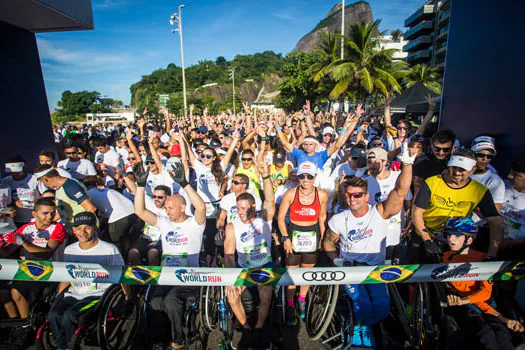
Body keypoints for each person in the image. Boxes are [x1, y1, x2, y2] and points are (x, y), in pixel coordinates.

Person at [323, 145, 416, 346]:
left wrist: (407, 164)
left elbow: (400, 191)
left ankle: (365, 326)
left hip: (375, 270)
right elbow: (328, 242)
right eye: (349, 195)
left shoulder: (379, 212)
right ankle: (358, 331)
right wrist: (337, 260)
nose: (353, 199)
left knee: (382, 308)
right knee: (362, 304)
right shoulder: (339, 219)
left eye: (357, 195)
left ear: (366, 196)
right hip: (351, 270)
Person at [133, 159, 206, 350]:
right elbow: (139, 211)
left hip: (189, 276)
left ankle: (178, 340)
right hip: (167, 275)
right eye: (166, 208)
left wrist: (184, 183)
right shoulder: (165, 222)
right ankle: (159, 340)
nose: (167, 211)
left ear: (182, 207)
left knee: (170, 301)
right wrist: (140, 186)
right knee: (155, 302)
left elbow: (201, 208)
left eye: (170, 208)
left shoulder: (194, 224)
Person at [47, 212, 133, 350]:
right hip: (74, 293)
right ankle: (61, 345)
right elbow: (66, 276)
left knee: (70, 315)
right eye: (79, 228)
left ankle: (71, 346)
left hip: (97, 295)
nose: (83, 232)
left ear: (95, 228)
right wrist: (59, 297)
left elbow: (121, 273)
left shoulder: (109, 249)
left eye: (87, 228)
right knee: (53, 314)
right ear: (73, 230)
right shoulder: (70, 250)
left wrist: (128, 297)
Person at [441, 217, 524, 350]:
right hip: (463, 307)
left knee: (501, 333)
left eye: (457, 236)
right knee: (485, 332)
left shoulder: (482, 259)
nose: (451, 239)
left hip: (478, 302)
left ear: (469, 240)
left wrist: (503, 319)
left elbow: (485, 293)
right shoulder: (443, 259)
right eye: (449, 235)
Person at [412, 149, 504, 262]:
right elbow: (417, 212)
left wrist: (492, 255)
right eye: (454, 167)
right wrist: (426, 240)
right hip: (425, 235)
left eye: (462, 169)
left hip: (453, 239)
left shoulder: (479, 190)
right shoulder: (432, 183)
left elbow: (496, 222)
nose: (456, 172)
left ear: (472, 170)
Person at [223, 160, 275, 346]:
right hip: (243, 268)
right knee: (231, 294)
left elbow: (269, 199)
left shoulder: (264, 220)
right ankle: (246, 327)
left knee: (266, 292)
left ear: (253, 207)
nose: (241, 212)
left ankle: (259, 327)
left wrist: (266, 176)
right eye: (238, 208)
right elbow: (229, 254)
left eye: (244, 208)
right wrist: (231, 278)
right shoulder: (232, 225)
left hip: (264, 265)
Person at [0, 198, 66, 326]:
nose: (50, 217)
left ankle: (26, 326)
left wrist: (23, 242)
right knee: (3, 292)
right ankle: (15, 324)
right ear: (34, 214)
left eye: (52, 213)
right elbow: (6, 252)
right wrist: (3, 243)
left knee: (16, 292)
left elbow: (47, 253)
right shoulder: (26, 228)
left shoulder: (58, 228)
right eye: (45, 213)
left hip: (50, 271)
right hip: (28, 271)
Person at [277, 161, 328, 324]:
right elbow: (280, 218)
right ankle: (290, 304)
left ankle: (302, 299)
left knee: (306, 273)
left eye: (309, 176)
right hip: (294, 235)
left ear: (315, 177)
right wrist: (285, 237)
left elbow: (322, 217)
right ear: (297, 177)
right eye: (302, 176)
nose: (305, 180)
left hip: (311, 237)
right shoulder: (291, 194)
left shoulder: (322, 195)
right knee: (292, 274)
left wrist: (322, 238)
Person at [362, 147, 413, 258]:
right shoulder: (364, 182)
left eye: (375, 161)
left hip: (397, 231)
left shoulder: (398, 177)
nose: (371, 164)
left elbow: (408, 203)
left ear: (385, 162)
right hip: (374, 235)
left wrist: (409, 225)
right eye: (369, 162)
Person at [87, 177, 142, 257]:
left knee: (115, 242)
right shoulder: (106, 190)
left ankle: (119, 261)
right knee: (127, 240)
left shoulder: (88, 194)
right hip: (133, 212)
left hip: (119, 216)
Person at [34, 164, 96, 233]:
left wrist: (81, 229)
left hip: (83, 231)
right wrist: (44, 224)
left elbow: (91, 208)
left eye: (42, 182)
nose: (44, 184)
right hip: (72, 229)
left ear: (45, 179)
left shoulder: (70, 186)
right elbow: (61, 212)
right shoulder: (59, 189)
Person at [128, 185, 171, 265]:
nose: (156, 199)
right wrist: (125, 176)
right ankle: (139, 275)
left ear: (167, 197)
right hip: (146, 238)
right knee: (132, 253)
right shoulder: (150, 203)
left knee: (152, 254)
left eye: (160, 197)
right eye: (154, 196)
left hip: (161, 240)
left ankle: (154, 276)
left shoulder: (171, 210)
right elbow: (135, 190)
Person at [412, 130, 456, 196]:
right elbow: (417, 188)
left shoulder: (456, 163)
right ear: (432, 145)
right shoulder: (421, 161)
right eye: (437, 149)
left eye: (446, 150)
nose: (441, 153)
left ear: (452, 147)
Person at [2, 156, 40, 227]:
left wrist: (38, 201)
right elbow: (4, 202)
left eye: (16, 171)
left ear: (23, 168)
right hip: (15, 221)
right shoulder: (5, 181)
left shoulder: (34, 179)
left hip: (34, 219)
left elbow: (46, 196)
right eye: (11, 172)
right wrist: (14, 203)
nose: (14, 174)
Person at [470, 136, 505, 210]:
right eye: (480, 155)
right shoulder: (459, 170)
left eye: (489, 156)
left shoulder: (496, 180)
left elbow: (495, 210)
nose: (484, 159)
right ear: (471, 153)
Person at [499, 157, 525, 259]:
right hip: (489, 237)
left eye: (516, 175)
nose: (509, 176)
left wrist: (509, 243)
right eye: (511, 172)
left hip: (516, 249)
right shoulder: (501, 185)